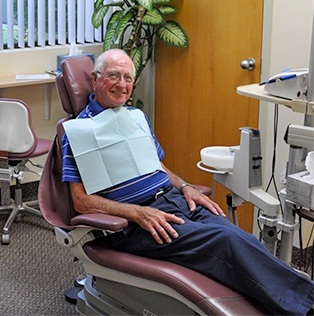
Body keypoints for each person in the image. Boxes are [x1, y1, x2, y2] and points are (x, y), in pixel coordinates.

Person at [61, 48, 313, 315]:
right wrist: (137, 212)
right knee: (224, 241)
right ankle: (306, 307)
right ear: (95, 78)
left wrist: (185, 187)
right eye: (113, 75)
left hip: (173, 200)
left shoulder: (133, 117)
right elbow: (81, 200)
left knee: (241, 237)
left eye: (127, 77)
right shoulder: (79, 132)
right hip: (134, 224)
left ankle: (290, 301)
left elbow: (157, 166)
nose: (122, 85)